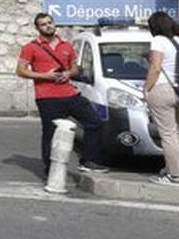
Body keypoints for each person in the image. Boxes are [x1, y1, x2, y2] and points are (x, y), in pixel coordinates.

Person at [15, 13, 109, 179]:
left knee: (94, 122)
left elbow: (75, 68)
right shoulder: (30, 47)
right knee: (50, 132)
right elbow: (20, 71)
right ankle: (50, 168)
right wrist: (46, 76)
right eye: (43, 24)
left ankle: (89, 161)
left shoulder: (67, 45)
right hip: (47, 97)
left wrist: (67, 73)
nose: (48, 26)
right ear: (38, 28)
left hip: (70, 93)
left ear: (54, 24)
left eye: (50, 22)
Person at [144, 11, 179, 186]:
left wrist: (146, 90)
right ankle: (171, 169)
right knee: (178, 132)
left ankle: (175, 177)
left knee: (168, 134)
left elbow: (155, 68)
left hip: (163, 88)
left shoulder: (158, 40)